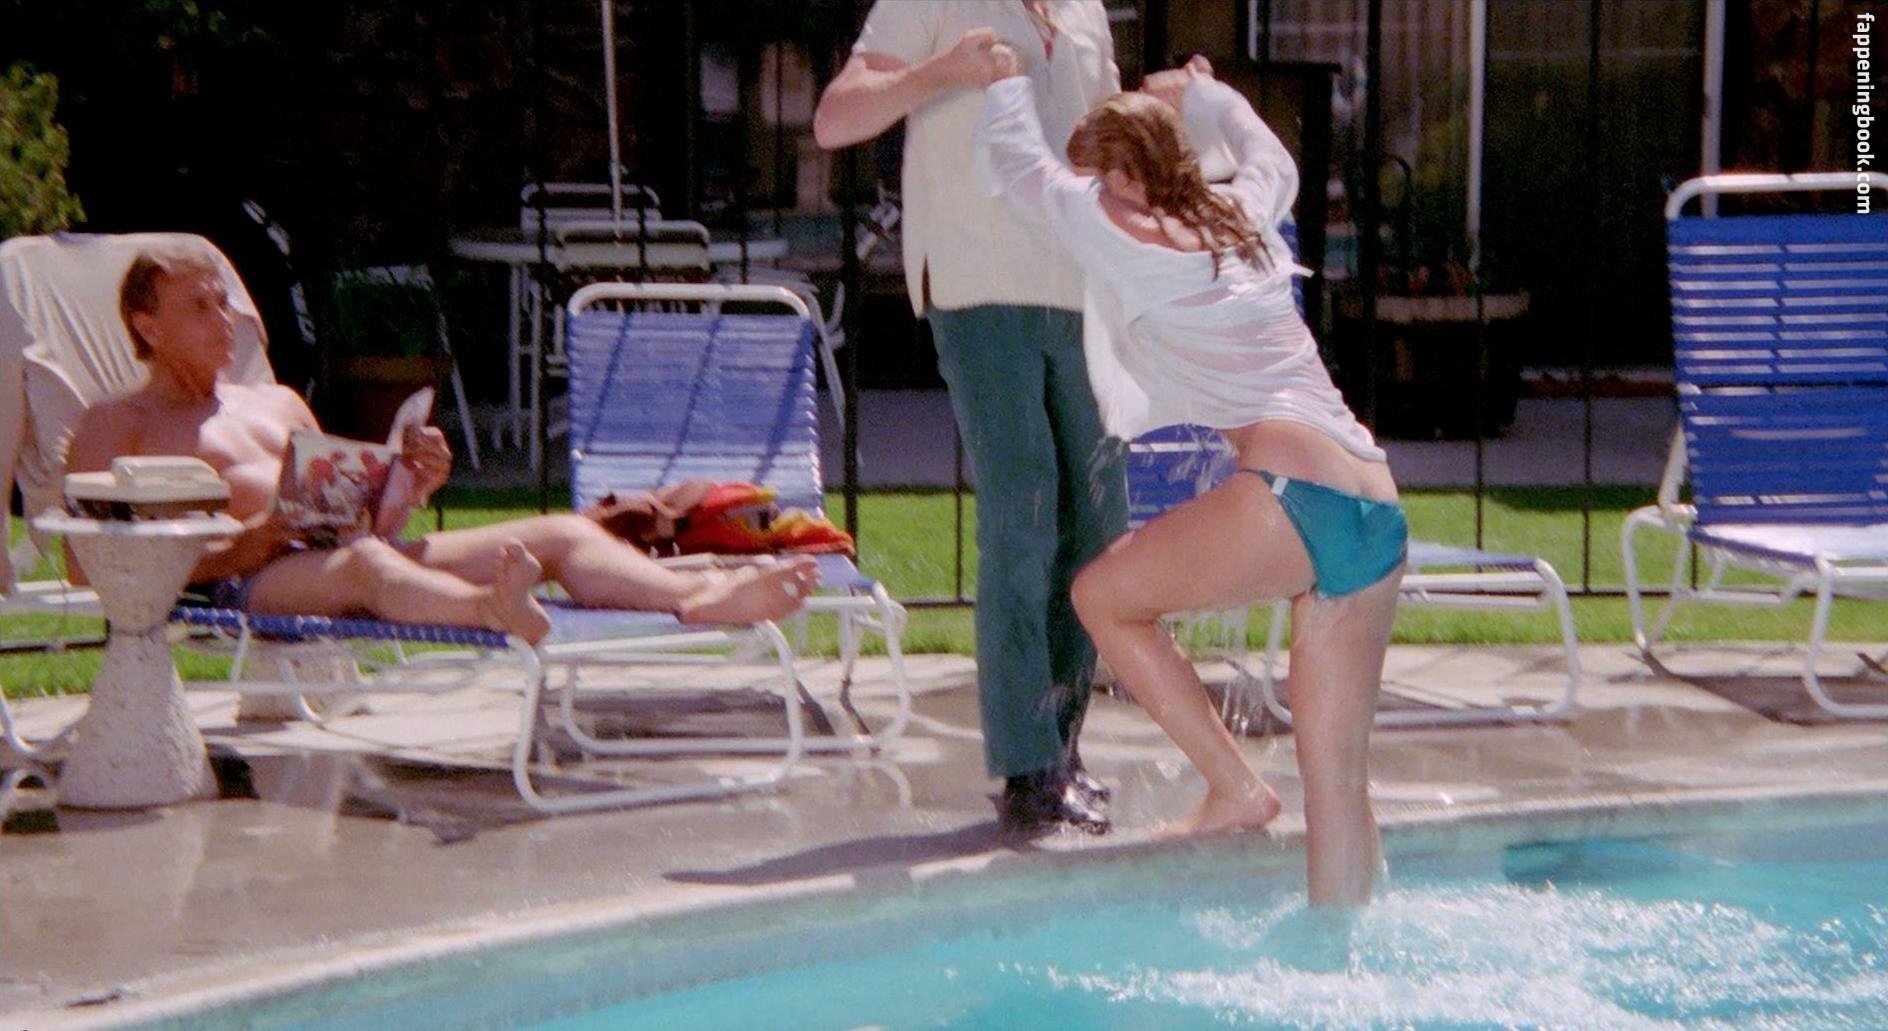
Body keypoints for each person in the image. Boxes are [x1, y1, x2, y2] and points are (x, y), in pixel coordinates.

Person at [973, 50, 1407, 906]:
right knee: (1340, 784)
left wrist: (1003, 81)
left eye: (1098, 177)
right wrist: (1204, 93)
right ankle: (1348, 955)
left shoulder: (1113, 224)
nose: (1089, 191)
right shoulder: (1243, 212)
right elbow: (1269, 154)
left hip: (1293, 495)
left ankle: (1234, 784)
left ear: (1124, 177)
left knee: (1101, 596)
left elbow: (1022, 171)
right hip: (1375, 501)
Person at [64, 246, 821, 643]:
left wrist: (408, 485)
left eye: (223, 302)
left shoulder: (276, 401)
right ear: (147, 327)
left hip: (349, 555)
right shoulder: (119, 422)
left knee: (560, 531)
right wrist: (247, 543)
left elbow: (361, 520)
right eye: (199, 307)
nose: (224, 319)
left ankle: (700, 599)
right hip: (243, 582)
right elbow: (83, 562)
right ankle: (491, 610)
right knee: (366, 565)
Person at [814, 1, 1129, 834]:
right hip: (977, 283)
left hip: (1085, 291)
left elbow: (1106, 140)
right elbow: (834, 119)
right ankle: (1029, 764)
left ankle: (1062, 747)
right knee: (1023, 510)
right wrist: (942, 73)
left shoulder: (1086, 9)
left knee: (1099, 527)